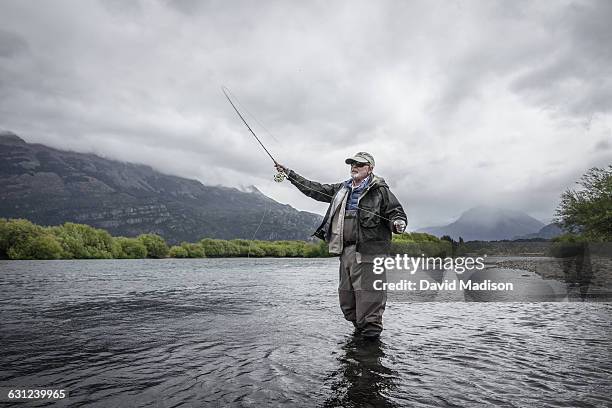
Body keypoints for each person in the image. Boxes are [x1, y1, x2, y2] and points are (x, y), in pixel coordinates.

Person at [275, 152, 407, 338]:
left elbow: (396, 213)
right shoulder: (342, 190)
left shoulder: (380, 190)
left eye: (360, 164)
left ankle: (369, 347)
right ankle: (358, 337)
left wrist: (398, 223)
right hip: (345, 252)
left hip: (370, 253)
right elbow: (313, 189)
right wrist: (290, 174)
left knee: (369, 299)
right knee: (347, 300)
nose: (354, 167)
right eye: (352, 164)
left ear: (370, 168)